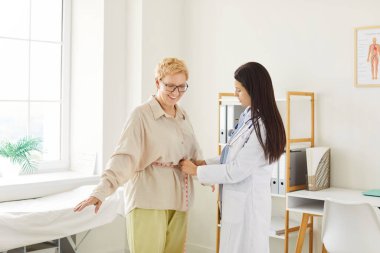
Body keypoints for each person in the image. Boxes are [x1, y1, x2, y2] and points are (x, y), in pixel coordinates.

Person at [74, 57, 203, 253]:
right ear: (158, 82)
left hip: (179, 199)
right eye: (170, 86)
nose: (176, 93)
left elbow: (194, 153)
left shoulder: (183, 115)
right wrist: (101, 191)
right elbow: (124, 157)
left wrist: (211, 174)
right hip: (148, 198)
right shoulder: (141, 115)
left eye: (181, 87)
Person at [180, 62, 286, 253]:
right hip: (236, 203)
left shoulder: (263, 126)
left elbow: (237, 170)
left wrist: (197, 171)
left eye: (239, 90)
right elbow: (232, 155)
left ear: (254, 90)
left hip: (249, 207)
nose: (235, 94)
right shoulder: (248, 115)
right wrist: (205, 163)